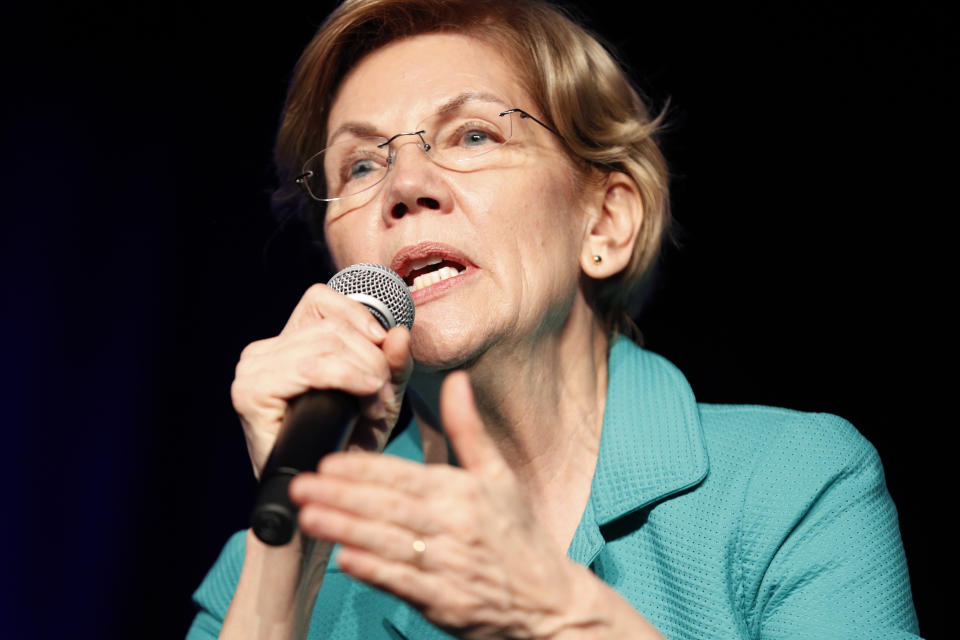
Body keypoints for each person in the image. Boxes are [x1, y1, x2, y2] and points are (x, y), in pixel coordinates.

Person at [189, 0, 920, 638]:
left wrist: (560, 617)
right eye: (359, 166)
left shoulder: (791, 482)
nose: (405, 185)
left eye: (474, 134)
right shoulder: (262, 565)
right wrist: (295, 550)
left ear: (605, 223)